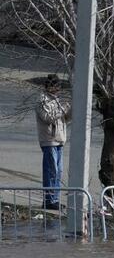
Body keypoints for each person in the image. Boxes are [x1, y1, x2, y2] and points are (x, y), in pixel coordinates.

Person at [35, 74, 71, 210]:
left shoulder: (57, 100)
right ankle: (49, 200)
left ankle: (54, 199)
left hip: (59, 139)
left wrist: (70, 110)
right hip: (49, 140)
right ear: (47, 86)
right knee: (51, 170)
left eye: (57, 85)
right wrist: (63, 109)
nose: (55, 88)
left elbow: (64, 119)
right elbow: (48, 117)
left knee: (59, 171)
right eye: (52, 85)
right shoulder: (42, 100)